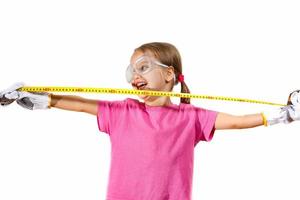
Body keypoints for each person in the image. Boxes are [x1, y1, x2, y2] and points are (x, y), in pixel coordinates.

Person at [1, 42, 300, 200]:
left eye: (144, 68)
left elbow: (236, 121)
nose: (135, 77)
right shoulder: (123, 112)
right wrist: (47, 100)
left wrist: (281, 115)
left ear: (169, 75)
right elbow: (81, 104)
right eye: (132, 72)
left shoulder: (190, 117)